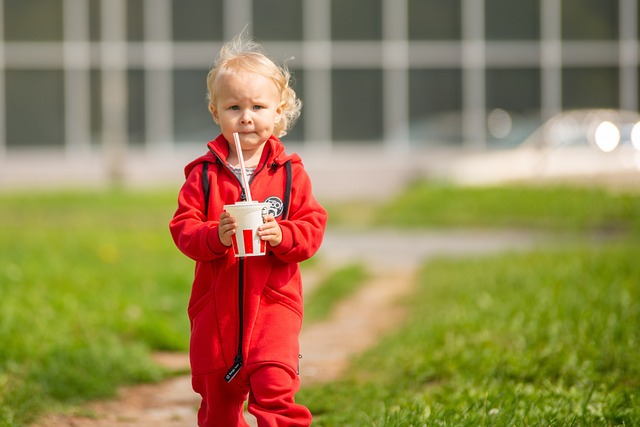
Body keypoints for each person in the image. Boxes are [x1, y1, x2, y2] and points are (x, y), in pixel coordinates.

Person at [169, 33, 327, 427]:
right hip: (215, 315)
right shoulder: (203, 176)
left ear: (279, 112)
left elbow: (311, 227)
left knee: (276, 395)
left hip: (273, 307)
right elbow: (183, 228)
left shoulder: (290, 174)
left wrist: (283, 235)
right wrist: (215, 235)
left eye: (258, 106)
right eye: (233, 107)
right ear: (215, 111)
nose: (246, 117)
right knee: (218, 406)